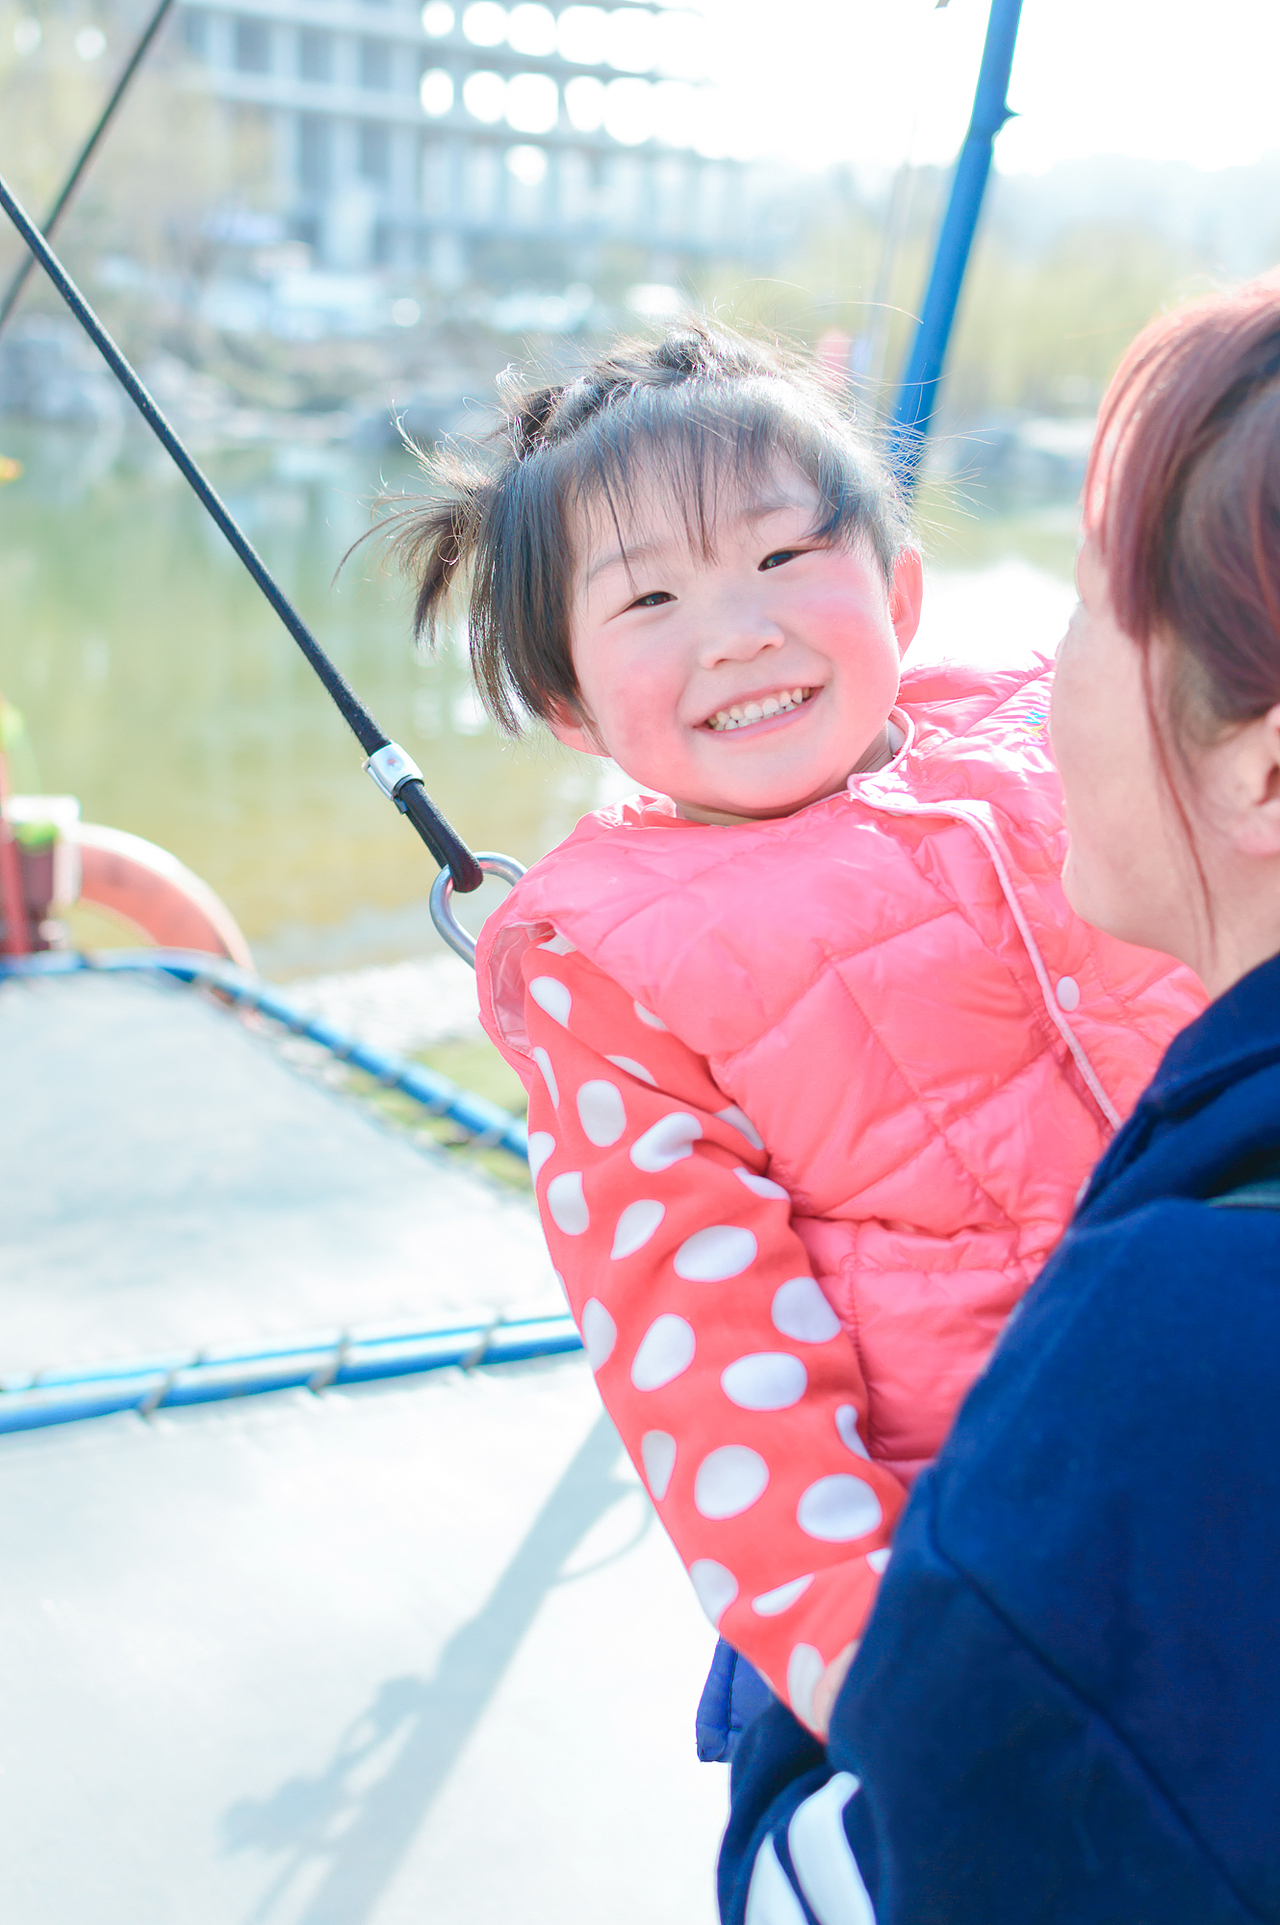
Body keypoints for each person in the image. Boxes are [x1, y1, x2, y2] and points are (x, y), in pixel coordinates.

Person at [387, 321, 1199, 1745]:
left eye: (780, 559)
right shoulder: (614, 967)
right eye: (648, 602)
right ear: (567, 700)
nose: (738, 630)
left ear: (897, 588)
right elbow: (707, 1366)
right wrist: (903, 1691)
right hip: (987, 1554)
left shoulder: (1059, 729)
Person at [717, 277, 1280, 1924]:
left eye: (1093, 606)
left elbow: (863, 1885)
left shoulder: (1189, 1346)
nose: (1039, 674)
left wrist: (803, 1708)